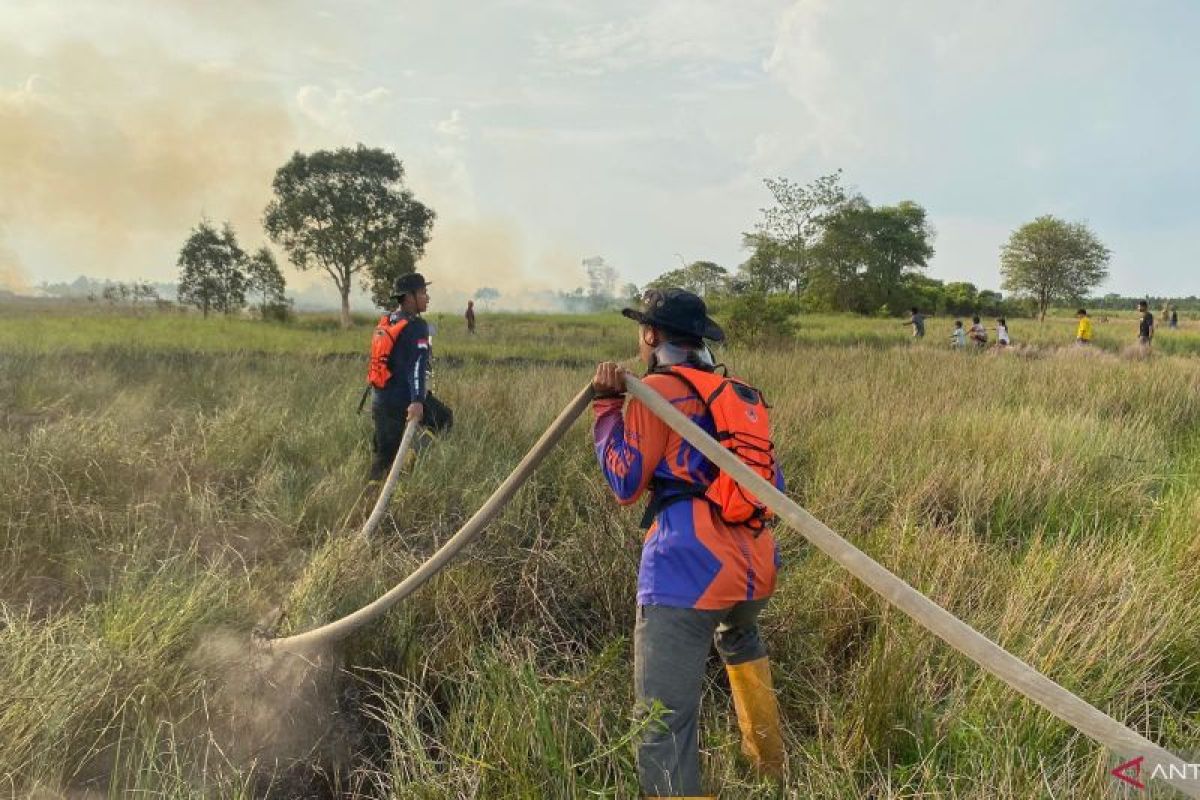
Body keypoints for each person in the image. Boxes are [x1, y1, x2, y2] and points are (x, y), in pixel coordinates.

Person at [591, 288, 786, 798]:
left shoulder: (658, 391)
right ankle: (769, 774)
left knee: (661, 719)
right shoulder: (742, 396)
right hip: (756, 571)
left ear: (652, 336)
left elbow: (625, 482)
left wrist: (608, 409)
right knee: (740, 637)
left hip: (688, 570)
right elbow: (775, 488)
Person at [367, 272, 453, 482]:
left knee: (383, 457)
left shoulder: (387, 320)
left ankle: (367, 500)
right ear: (408, 297)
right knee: (443, 418)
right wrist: (416, 400)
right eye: (423, 292)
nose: (427, 297)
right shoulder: (417, 326)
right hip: (403, 399)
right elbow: (417, 366)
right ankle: (410, 459)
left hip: (380, 400)